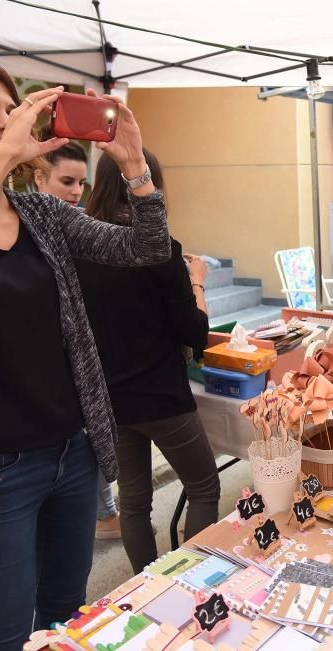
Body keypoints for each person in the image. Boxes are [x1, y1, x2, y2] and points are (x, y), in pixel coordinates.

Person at [0, 61, 170, 646]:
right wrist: (2, 159)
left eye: (9, 106)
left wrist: (133, 169)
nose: (7, 120)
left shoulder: (43, 214)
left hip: (73, 456)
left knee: (63, 621)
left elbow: (146, 249)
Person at [74, 149, 220, 574]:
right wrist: (195, 281)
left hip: (111, 399)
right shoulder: (159, 251)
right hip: (162, 397)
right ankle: (187, 583)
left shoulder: (80, 250)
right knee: (204, 487)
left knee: (134, 502)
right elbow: (195, 334)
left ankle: (146, 583)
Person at [32, 141, 123, 541]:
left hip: (86, 356)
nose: (74, 192)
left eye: (81, 183)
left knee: (91, 441)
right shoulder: (23, 232)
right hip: (47, 372)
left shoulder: (77, 224)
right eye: (66, 181)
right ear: (37, 177)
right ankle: (106, 514)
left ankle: (106, 513)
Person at [32, 140, 87, 208]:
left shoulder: (89, 216)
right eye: (67, 182)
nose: (78, 192)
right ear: (39, 178)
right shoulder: (18, 216)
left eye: (81, 183)